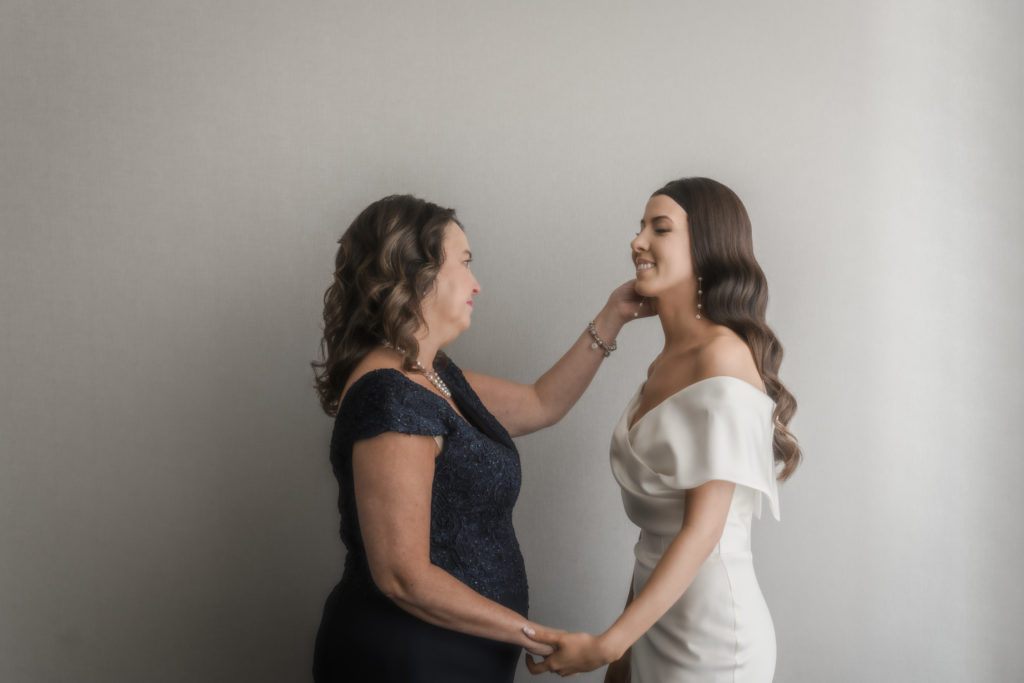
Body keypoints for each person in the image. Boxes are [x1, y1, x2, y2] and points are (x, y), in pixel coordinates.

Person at [310, 194, 646, 682]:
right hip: (407, 658)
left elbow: (540, 403)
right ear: (417, 274)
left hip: (457, 655)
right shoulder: (389, 396)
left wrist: (614, 313)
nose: (477, 284)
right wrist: (535, 634)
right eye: (464, 264)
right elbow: (403, 576)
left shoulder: (432, 373)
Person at [525, 177, 801, 681]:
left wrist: (609, 645)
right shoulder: (661, 364)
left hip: (714, 639)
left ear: (707, 247)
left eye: (660, 228)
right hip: (654, 626)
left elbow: (702, 530)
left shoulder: (721, 355)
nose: (638, 242)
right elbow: (658, 538)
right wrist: (626, 654)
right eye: (640, 228)